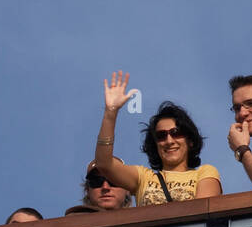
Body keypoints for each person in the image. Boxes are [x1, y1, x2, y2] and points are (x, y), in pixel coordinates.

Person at [94, 72, 222, 206]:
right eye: (161, 136)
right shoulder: (144, 178)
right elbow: (103, 164)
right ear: (155, 144)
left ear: (190, 140)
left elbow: (201, 212)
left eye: (176, 133)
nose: (169, 141)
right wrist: (110, 113)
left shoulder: (205, 172)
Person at [63, 162, 134, 215]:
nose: (105, 187)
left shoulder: (141, 222)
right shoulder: (72, 223)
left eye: (113, 180)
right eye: (97, 181)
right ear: (87, 190)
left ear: (127, 188)